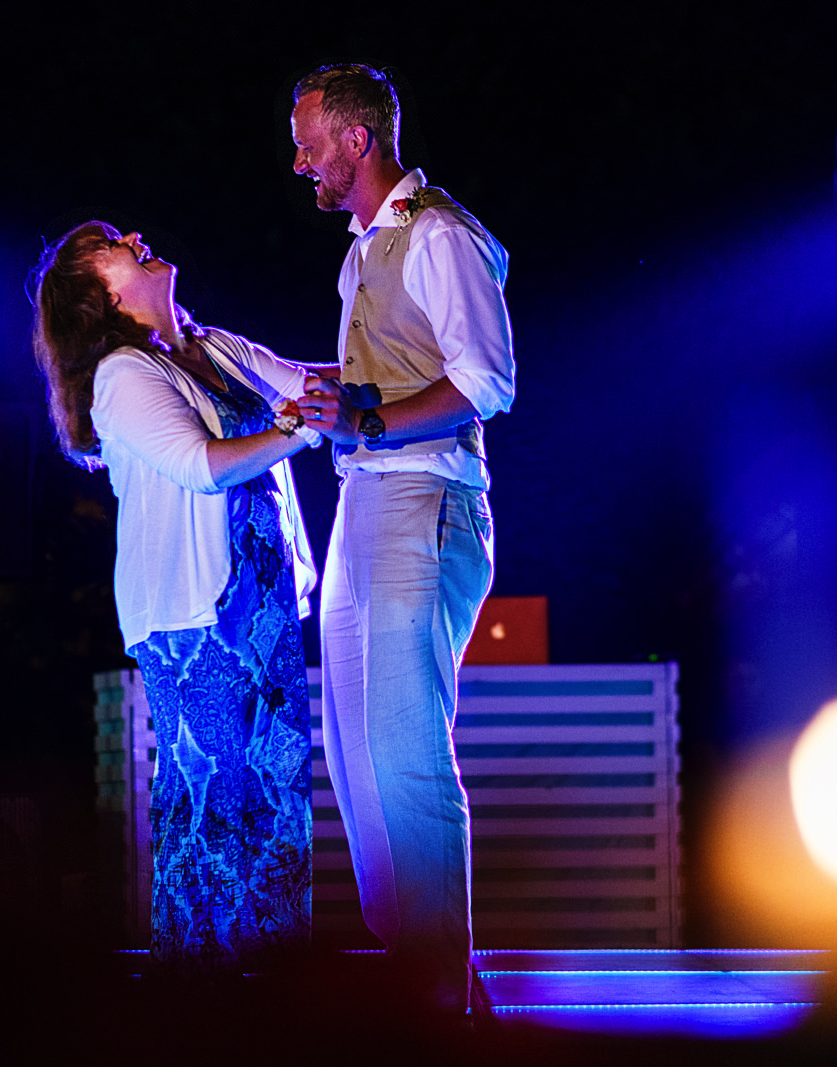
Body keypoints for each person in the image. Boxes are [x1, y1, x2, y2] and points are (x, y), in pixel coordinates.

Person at [28, 220, 327, 977]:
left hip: (262, 614)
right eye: (116, 243)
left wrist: (402, 367)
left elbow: (311, 381)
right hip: (195, 626)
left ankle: (278, 996)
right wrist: (300, 431)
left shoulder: (214, 347)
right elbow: (201, 465)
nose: (136, 236)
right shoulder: (122, 375)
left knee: (280, 805)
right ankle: (202, 1007)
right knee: (215, 810)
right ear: (105, 291)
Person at [290, 63, 516, 1016]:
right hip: (368, 501)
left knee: (405, 750)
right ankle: (433, 979)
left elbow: (487, 384)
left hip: (423, 498)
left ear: (356, 140)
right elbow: (368, 387)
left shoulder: (437, 235)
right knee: (354, 756)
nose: (297, 160)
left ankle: (439, 997)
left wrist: (368, 421)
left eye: (307, 140)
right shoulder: (363, 250)